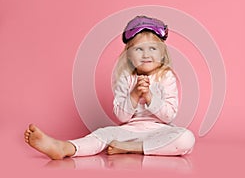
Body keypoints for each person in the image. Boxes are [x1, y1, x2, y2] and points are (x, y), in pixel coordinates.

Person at [24, 15, 195, 160]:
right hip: (128, 131)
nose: (146, 54)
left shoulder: (166, 77)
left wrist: (150, 97)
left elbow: (169, 116)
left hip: (160, 132)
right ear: (128, 56)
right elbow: (122, 117)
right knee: (102, 134)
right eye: (139, 49)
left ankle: (133, 148)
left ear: (162, 53)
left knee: (186, 139)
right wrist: (134, 95)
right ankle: (65, 148)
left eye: (152, 48)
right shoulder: (126, 78)